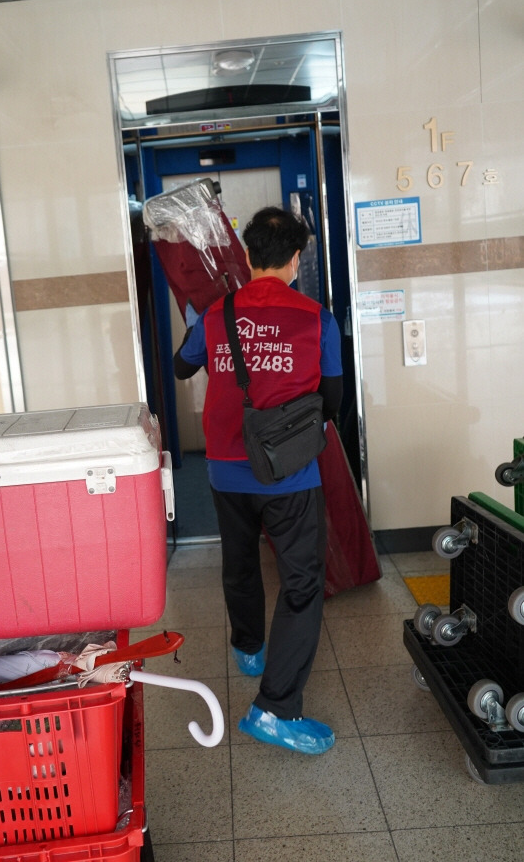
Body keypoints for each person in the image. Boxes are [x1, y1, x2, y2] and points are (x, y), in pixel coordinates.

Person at [173, 206, 343, 754]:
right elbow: (332, 402)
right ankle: (274, 709)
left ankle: (249, 648)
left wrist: (206, 332)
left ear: (247, 256)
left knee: (240, 560)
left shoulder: (217, 313)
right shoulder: (317, 318)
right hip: (290, 473)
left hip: (225, 468)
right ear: (296, 258)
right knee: (301, 584)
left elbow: (181, 366)